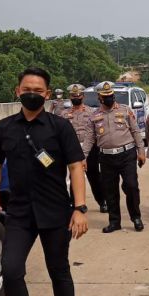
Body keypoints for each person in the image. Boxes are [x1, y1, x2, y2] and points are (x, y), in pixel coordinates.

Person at [0, 67, 88, 296]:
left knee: (59, 270)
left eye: (38, 90)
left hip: (56, 211)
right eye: (26, 88)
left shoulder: (59, 127)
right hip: (18, 212)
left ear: (46, 94)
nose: (31, 93)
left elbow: (76, 167)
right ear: (17, 91)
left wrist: (79, 208)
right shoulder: (4, 128)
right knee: (11, 268)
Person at [83, 81, 145, 233]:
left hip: (127, 154)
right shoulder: (94, 116)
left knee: (131, 186)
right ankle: (114, 221)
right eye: (106, 96)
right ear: (100, 98)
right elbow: (90, 138)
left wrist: (141, 151)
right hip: (106, 157)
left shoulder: (125, 110)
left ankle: (136, 217)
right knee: (110, 190)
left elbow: (136, 131)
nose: (109, 99)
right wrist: (83, 157)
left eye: (111, 95)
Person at [60, 83, 107, 213]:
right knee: (74, 175)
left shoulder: (92, 112)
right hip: (72, 149)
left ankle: (102, 201)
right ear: (70, 97)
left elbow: (96, 131)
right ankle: (75, 203)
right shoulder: (64, 114)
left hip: (90, 148)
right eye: (74, 96)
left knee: (94, 176)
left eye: (79, 95)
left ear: (83, 96)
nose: (76, 97)